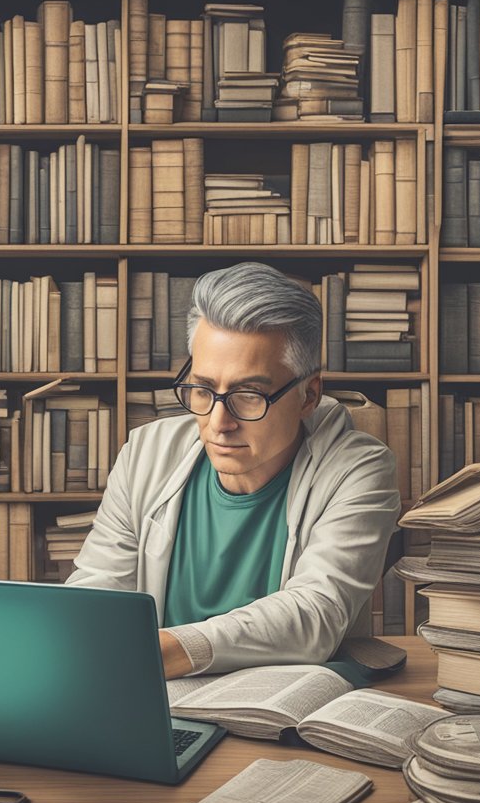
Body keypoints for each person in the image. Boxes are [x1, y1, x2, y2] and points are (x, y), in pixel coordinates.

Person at [65, 262, 401, 679]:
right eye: (203, 389)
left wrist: (160, 651)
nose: (219, 423)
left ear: (309, 394)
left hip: (278, 708)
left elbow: (316, 615)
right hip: (159, 698)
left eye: (248, 395)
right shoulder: (145, 453)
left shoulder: (360, 471)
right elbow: (96, 596)